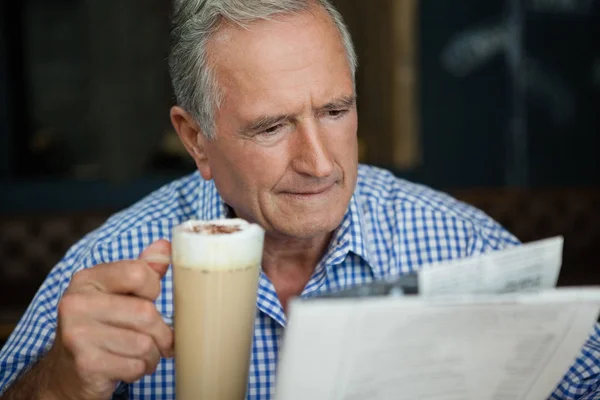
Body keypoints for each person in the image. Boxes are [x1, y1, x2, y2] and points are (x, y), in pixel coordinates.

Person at [1, 0, 599, 399]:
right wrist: (58, 382)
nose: (319, 163)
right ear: (195, 140)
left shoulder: (462, 247)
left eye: (336, 112)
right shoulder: (111, 266)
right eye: (270, 127)